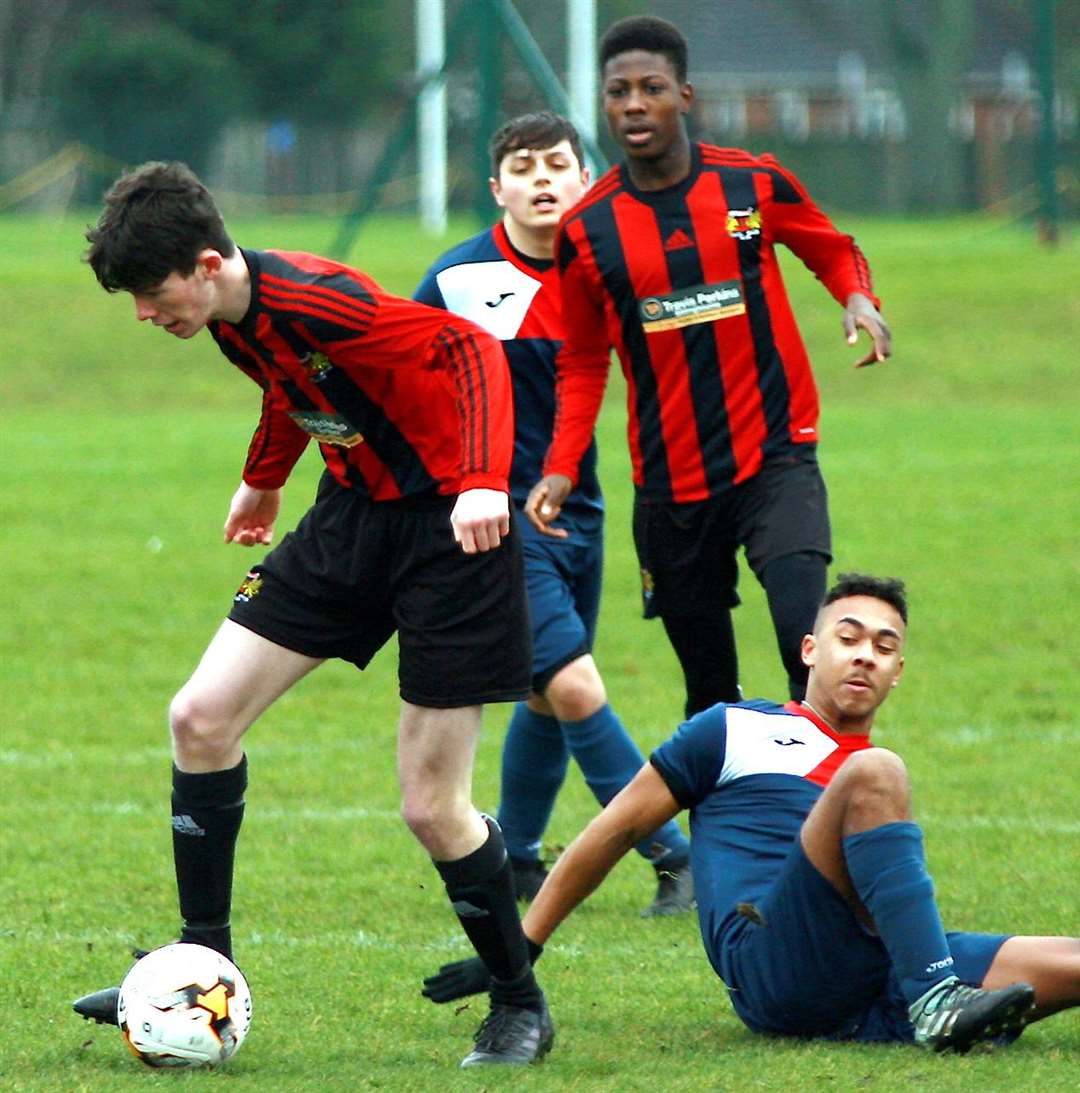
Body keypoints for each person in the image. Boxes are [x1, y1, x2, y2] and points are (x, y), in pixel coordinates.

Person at [70, 161, 554, 1067]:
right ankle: (201, 962)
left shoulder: (324, 299)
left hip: (455, 532)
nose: (145, 312)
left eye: (151, 292)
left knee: (431, 804)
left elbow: (469, 352)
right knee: (200, 718)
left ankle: (520, 1002)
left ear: (208, 264)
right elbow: (292, 384)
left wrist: (488, 480)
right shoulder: (229, 314)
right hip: (349, 521)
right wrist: (264, 478)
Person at [420, 573, 1080, 1052]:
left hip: (867, 964)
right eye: (848, 637)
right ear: (809, 650)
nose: (864, 655)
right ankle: (936, 1001)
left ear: (897, 671)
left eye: (883, 646)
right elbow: (615, 829)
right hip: (774, 963)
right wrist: (518, 951)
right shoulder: (735, 729)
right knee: (878, 771)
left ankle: (916, 1004)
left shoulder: (869, 782)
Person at [525, 16, 893, 719]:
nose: (634, 104)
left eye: (651, 88)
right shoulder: (586, 229)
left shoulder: (749, 186)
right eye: (618, 92)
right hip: (670, 486)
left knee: (805, 649)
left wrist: (858, 299)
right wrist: (563, 463)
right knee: (709, 696)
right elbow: (580, 360)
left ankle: (823, 825)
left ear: (684, 97)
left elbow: (831, 246)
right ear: (604, 104)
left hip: (775, 461)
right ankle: (723, 832)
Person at [414, 111, 693, 916]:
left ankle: (520, 857)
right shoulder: (457, 281)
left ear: (586, 180)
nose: (542, 179)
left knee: (543, 693)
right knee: (571, 685)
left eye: (558, 165)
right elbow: (401, 372)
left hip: (583, 508)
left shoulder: (610, 272)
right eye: (523, 166)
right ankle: (676, 856)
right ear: (497, 187)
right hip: (495, 517)